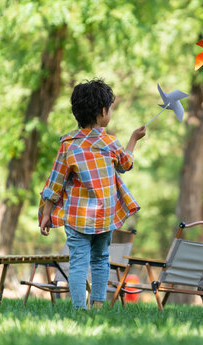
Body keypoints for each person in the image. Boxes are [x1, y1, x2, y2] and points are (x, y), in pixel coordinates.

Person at [39, 78, 146, 310]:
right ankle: (97, 306)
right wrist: (133, 139)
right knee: (100, 259)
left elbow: (55, 182)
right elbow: (125, 165)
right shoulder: (110, 143)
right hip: (105, 216)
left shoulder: (69, 144)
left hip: (77, 217)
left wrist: (46, 213)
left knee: (77, 263)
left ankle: (79, 309)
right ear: (103, 112)